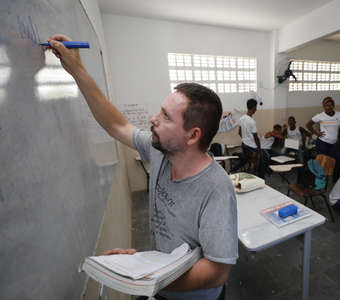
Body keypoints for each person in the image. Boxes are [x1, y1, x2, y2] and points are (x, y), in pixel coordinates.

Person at [46, 34, 237, 300]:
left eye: (165, 117)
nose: (153, 119)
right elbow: (117, 125)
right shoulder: (161, 151)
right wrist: (77, 70)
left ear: (192, 136)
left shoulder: (216, 189)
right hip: (159, 284)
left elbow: (217, 271)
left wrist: (148, 281)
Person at [306, 96, 340, 181]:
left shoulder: (339, 115)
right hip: (323, 143)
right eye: (327, 105)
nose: (329, 107)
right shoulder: (320, 116)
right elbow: (308, 125)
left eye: (331, 105)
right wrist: (316, 133)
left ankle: (335, 179)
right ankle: (321, 179)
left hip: (334, 143)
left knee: (338, 160)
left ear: (333, 106)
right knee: (322, 162)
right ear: (324, 106)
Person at [230, 98, 265, 178]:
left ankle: (231, 171)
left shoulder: (242, 118)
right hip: (252, 147)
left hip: (244, 145)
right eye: (256, 107)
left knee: (245, 160)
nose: (256, 109)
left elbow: (239, 132)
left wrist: (245, 139)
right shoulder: (252, 121)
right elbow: (256, 137)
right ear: (254, 108)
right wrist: (259, 149)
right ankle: (262, 179)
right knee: (261, 160)